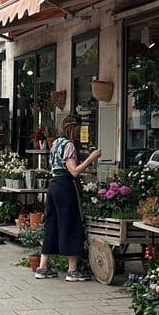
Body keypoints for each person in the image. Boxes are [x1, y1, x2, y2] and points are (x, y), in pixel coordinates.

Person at [37, 113, 101, 281]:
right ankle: (72, 270)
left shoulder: (56, 143)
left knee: (52, 223)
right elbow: (74, 171)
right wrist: (91, 158)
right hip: (66, 186)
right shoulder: (69, 145)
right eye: (78, 129)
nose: (80, 132)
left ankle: (42, 267)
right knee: (70, 223)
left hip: (53, 186)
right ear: (72, 128)